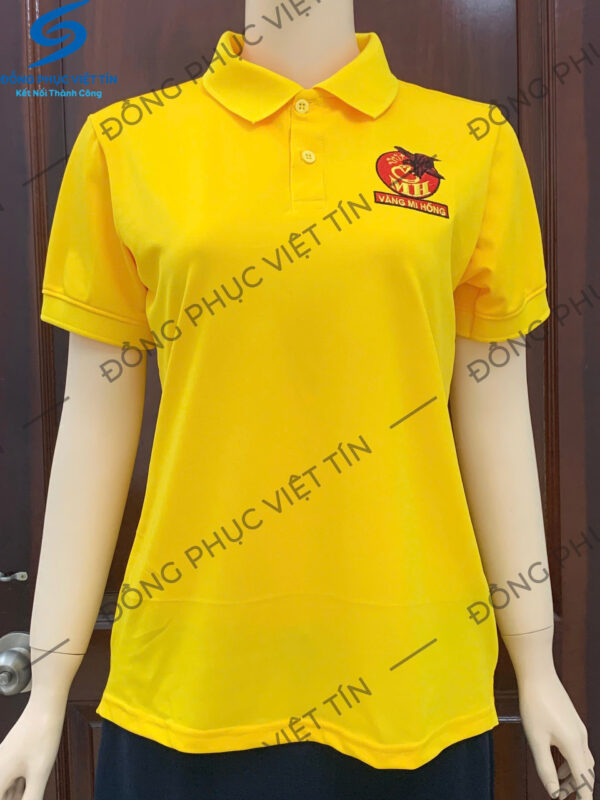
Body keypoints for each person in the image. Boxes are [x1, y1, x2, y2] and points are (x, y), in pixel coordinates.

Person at [0, 2, 594, 799]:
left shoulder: (471, 141)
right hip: (189, 684)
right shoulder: (126, 142)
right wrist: (47, 691)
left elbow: (496, 416)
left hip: (413, 684)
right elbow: (92, 421)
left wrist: (538, 664)